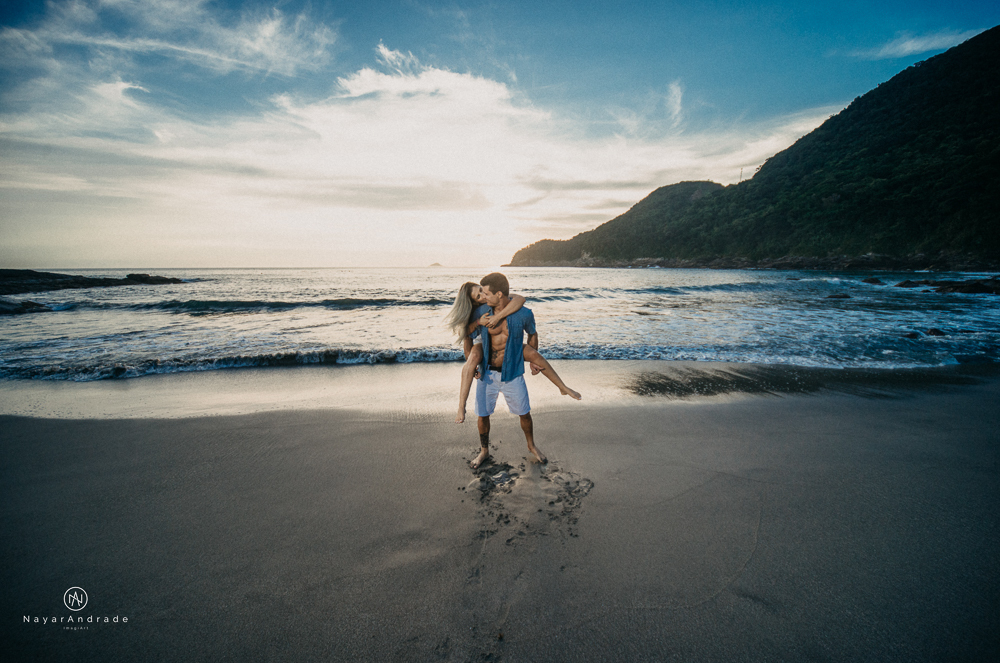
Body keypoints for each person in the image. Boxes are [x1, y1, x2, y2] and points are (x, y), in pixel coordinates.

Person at [445, 282, 580, 425]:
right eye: (478, 297)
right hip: (481, 341)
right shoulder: (476, 312)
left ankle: (563, 387)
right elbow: (464, 335)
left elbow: (520, 299)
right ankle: (461, 407)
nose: (482, 296)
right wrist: (479, 322)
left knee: (534, 355)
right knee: (473, 358)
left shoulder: (495, 296)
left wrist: (497, 317)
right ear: (474, 303)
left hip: (505, 344)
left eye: (481, 291)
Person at [470, 272, 550, 469]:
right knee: (483, 414)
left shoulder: (524, 313)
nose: (484, 297)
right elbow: (467, 333)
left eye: (487, 294)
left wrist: (533, 358)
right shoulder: (482, 312)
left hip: (513, 373)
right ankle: (484, 451)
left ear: (499, 294)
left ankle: (531, 446)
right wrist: (470, 363)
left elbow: (532, 333)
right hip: (487, 373)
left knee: (524, 413)